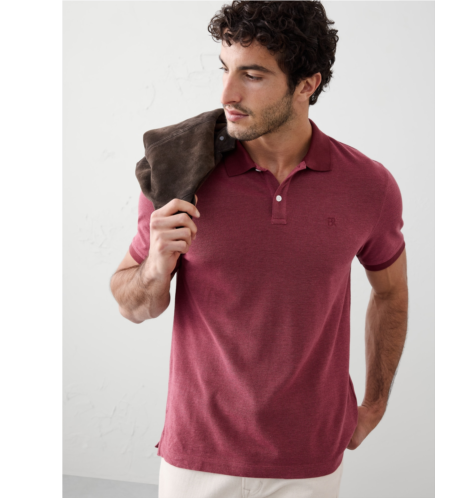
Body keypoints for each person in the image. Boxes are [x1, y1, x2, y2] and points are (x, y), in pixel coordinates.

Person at [110, 1, 409, 496]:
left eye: (251, 75)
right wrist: (156, 267)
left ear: (307, 84)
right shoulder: (178, 172)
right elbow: (132, 304)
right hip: (197, 457)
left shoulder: (369, 186)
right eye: (225, 69)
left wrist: (374, 405)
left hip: (310, 460)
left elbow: (391, 293)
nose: (227, 93)